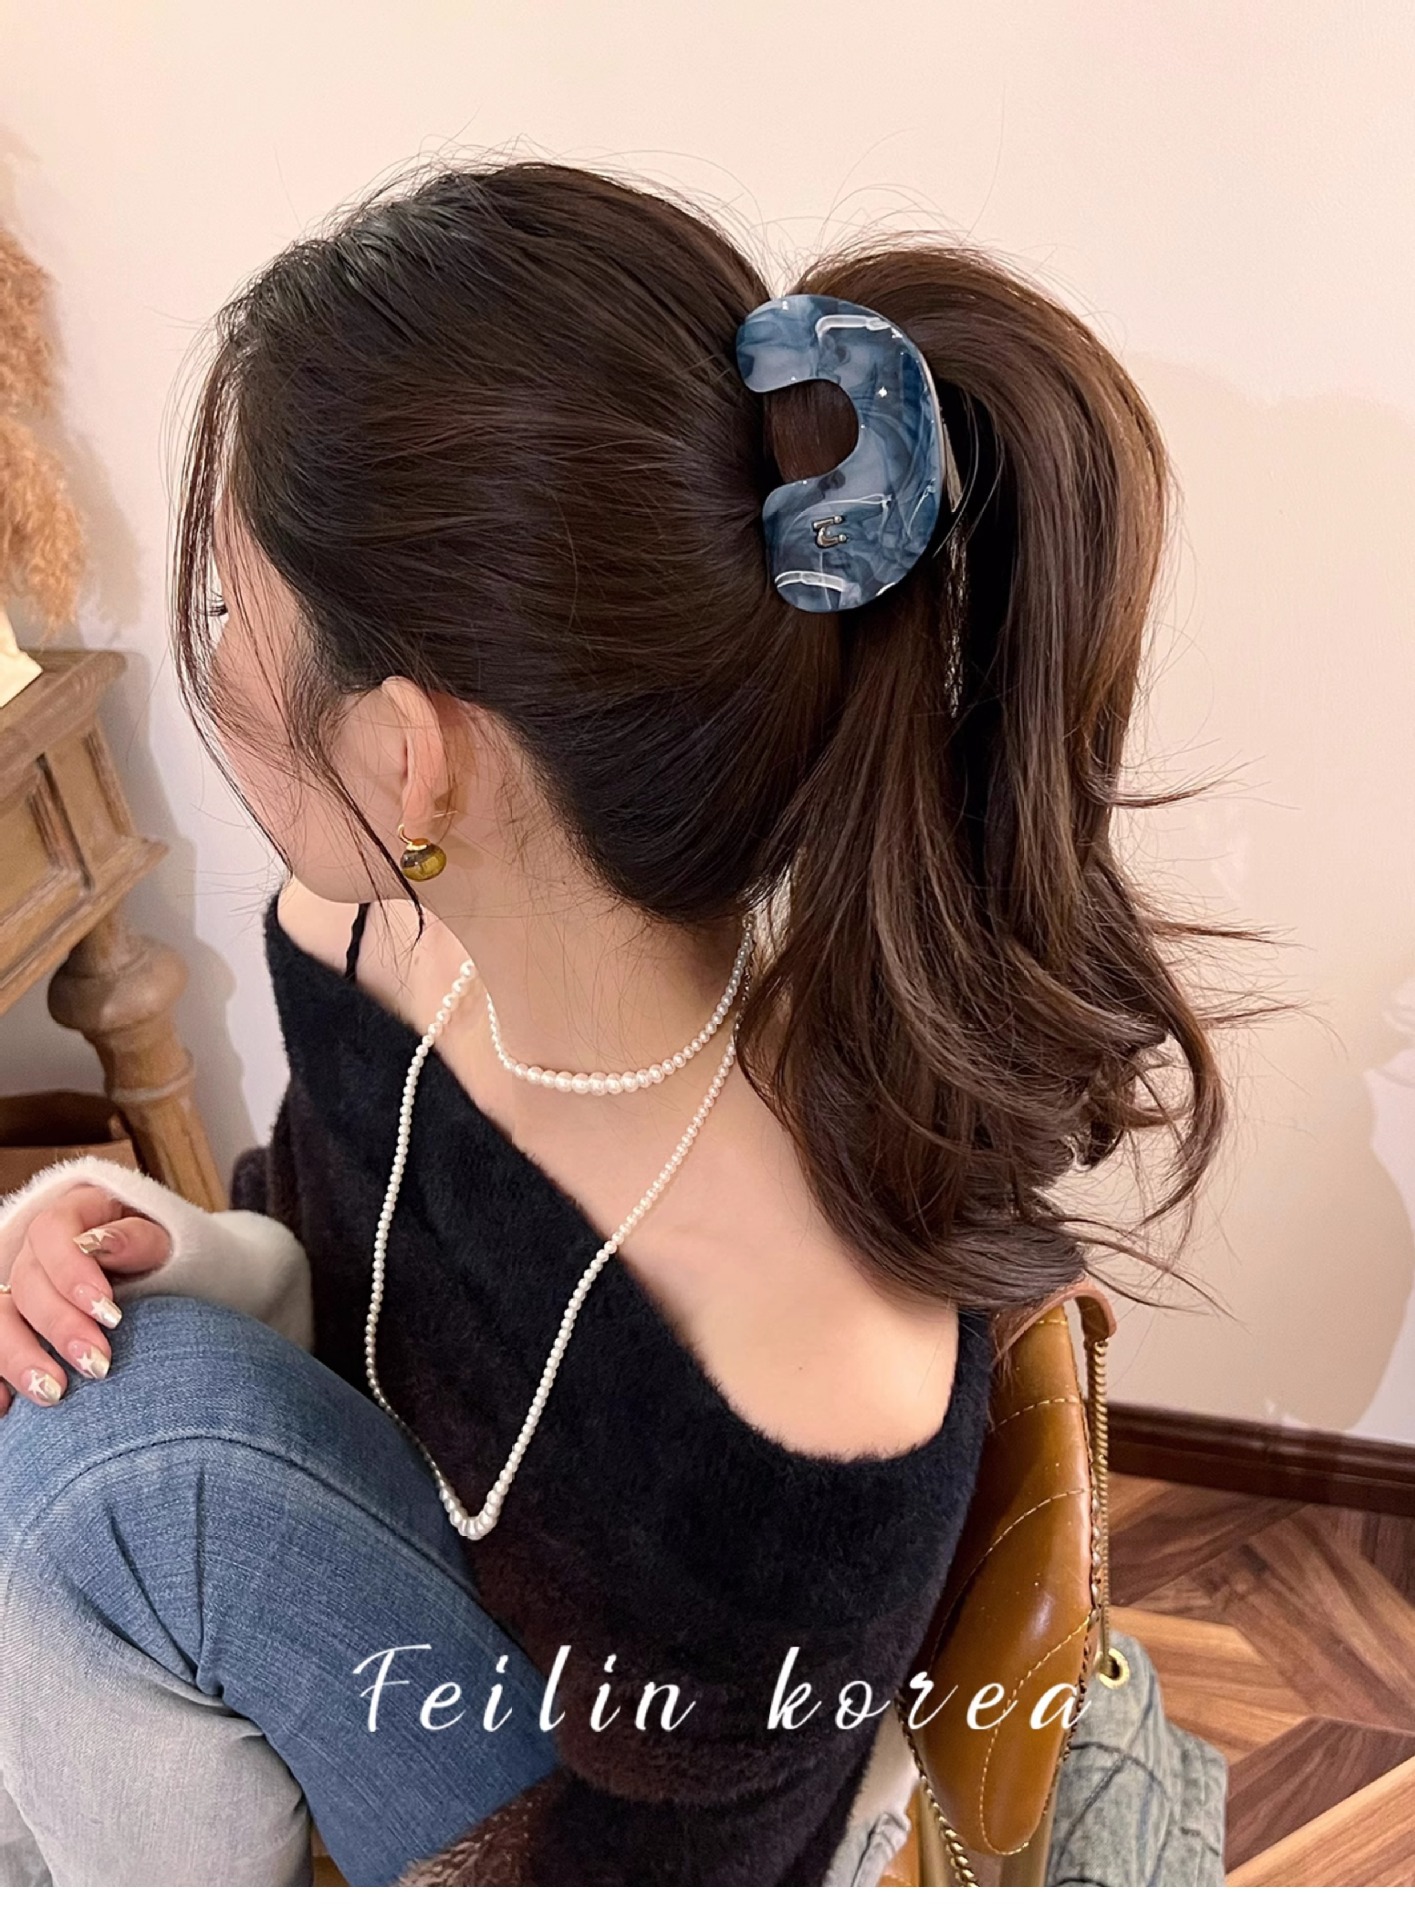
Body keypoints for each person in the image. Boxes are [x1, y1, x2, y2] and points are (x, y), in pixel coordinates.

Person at [0, 158, 1232, 1887]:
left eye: (229, 616)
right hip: (414, 1616)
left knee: (97, 1468)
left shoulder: (805, 1372)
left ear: (408, 755)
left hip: (597, 1840)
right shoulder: (362, 937)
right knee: (94, 1414)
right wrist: (168, 1252)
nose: (210, 659)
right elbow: (340, 1271)